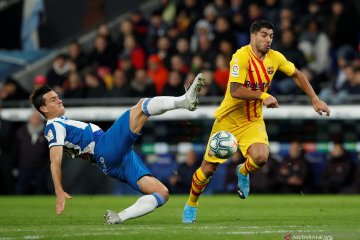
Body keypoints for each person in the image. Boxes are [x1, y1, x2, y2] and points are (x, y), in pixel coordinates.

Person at [182, 19, 330, 224]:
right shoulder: (240, 57)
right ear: (253, 37)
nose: (268, 39)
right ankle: (191, 204)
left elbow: (297, 74)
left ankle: (242, 171)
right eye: (264, 35)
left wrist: (314, 98)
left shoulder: (275, 58)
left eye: (271, 36)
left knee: (261, 157)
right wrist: (263, 96)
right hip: (228, 120)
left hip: (252, 121)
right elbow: (235, 90)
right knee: (208, 169)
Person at [30, 73, 205, 224]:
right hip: (105, 148)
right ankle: (184, 101)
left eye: (57, 96)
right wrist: (58, 190)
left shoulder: (59, 124)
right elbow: (55, 160)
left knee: (162, 193)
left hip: (110, 162)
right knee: (141, 107)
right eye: (53, 100)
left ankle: (119, 217)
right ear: (43, 108)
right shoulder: (54, 126)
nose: (59, 100)